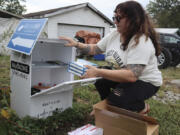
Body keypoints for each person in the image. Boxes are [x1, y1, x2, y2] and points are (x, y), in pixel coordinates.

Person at [60, 1, 162, 114]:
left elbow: (132, 76)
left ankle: (140, 107)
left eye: (119, 18)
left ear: (133, 19)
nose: (115, 22)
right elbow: (95, 49)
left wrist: (98, 71)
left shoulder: (141, 41)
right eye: (114, 17)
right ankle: (109, 107)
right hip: (125, 75)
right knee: (100, 81)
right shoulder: (115, 34)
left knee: (117, 97)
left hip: (145, 81)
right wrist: (77, 44)